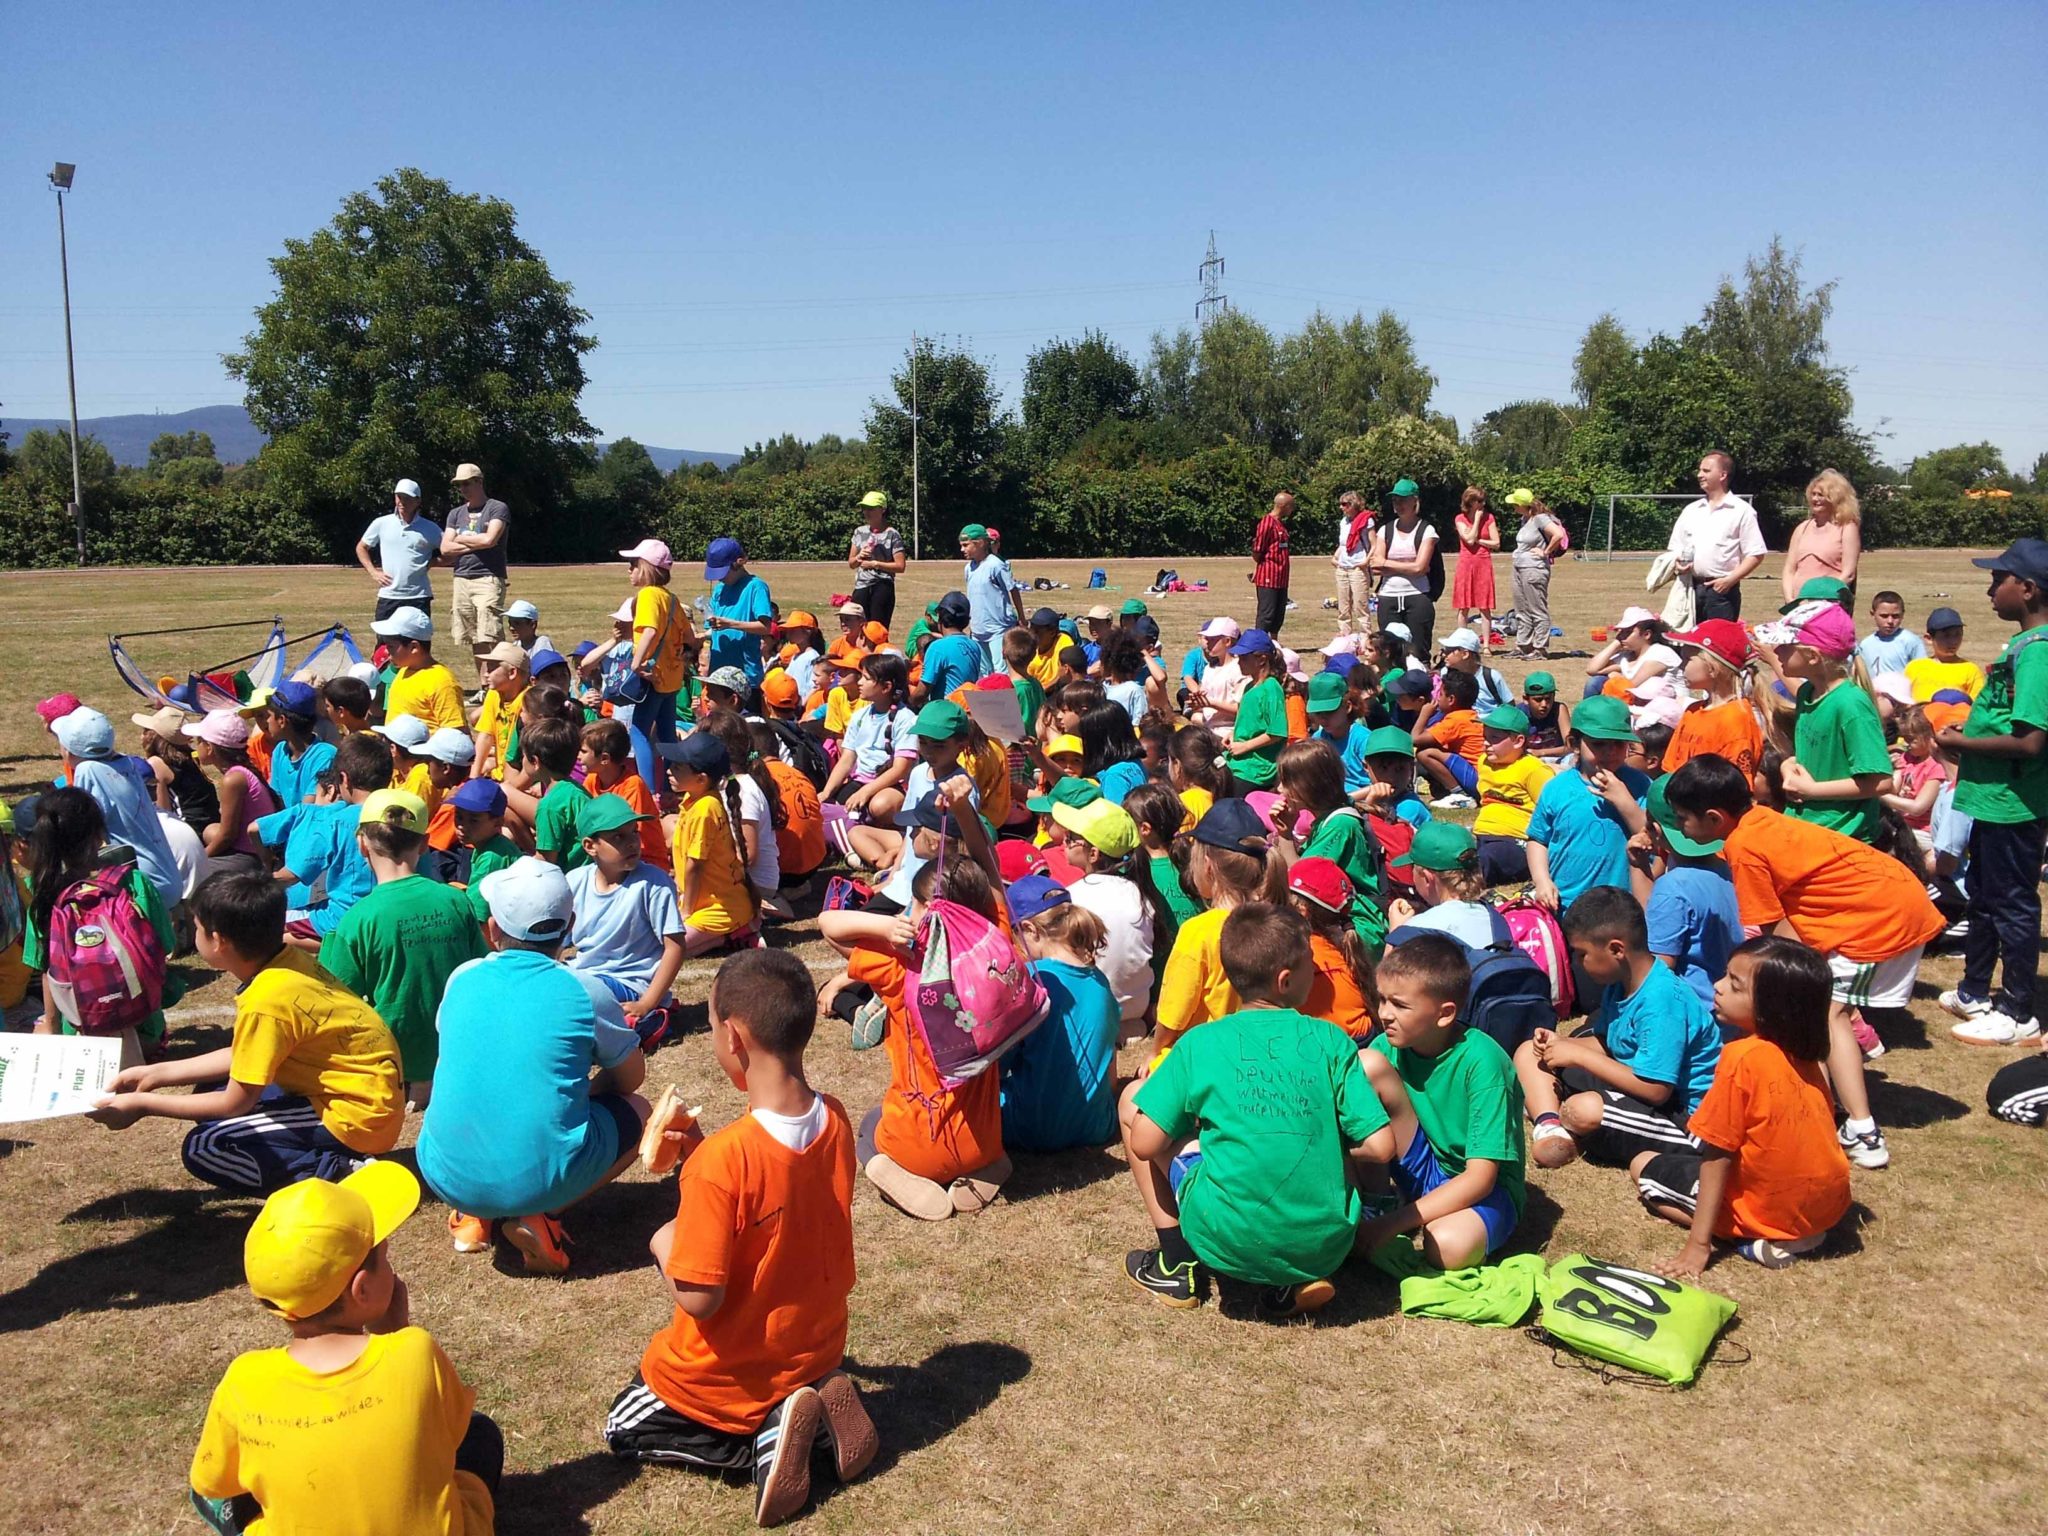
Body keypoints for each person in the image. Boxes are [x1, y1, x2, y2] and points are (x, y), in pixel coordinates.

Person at [604, 949, 871, 1526]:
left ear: (733, 1035)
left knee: (623, 1423)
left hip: (727, 1375)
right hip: (810, 1348)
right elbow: (775, 1210)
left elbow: (702, 1298)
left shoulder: (725, 1161)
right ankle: (815, 1414)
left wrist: (661, 1242)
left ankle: (766, 1440)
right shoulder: (838, 1119)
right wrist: (698, 1152)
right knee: (793, 1376)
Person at [187, 1161, 501, 1536]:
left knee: (224, 1494)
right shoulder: (414, 1351)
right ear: (362, 1289)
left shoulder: (243, 1380)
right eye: (384, 1257)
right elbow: (447, 1438)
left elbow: (212, 1483)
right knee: (481, 1436)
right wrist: (394, 1331)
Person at [1664, 754, 1945, 1171]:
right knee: (1821, 1010)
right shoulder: (1760, 821)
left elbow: (1778, 934)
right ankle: (1825, 1107)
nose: (1681, 828)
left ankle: (1863, 1131)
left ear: (1713, 818)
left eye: (1684, 819)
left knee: (1827, 1014)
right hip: (1876, 903)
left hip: (1882, 916)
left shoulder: (1745, 846)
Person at [1122, 903, 1395, 1315]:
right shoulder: (1332, 1041)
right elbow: (1381, 1147)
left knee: (1133, 1103)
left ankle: (1176, 1264)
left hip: (1226, 1236)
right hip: (1327, 1243)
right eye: (1312, 965)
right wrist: (1323, 1146)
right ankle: (1295, 1277)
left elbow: (1145, 1143)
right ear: (1287, 980)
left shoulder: (1199, 1043)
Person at [89, 872, 403, 1193]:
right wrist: (156, 1074)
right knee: (210, 1091)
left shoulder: (267, 999)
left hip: (359, 1116)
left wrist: (144, 1104)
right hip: (369, 1096)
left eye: (197, 928)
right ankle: (319, 1153)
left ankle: (340, 1173)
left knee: (207, 1145)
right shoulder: (288, 961)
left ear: (218, 940)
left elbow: (234, 1103)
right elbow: (246, 1054)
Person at [419, 856, 648, 1275]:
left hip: (442, 1170)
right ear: (571, 923)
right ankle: (542, 1213)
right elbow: (632, 1078)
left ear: (493, 930)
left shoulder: (461, 977)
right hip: (537, 1175)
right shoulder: (585, 990)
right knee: (640, 1112)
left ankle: (475, 1215)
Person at [1641, 938, 1852, 1275]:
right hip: (1827, 1211)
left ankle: (1751, 1240)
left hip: (1770, 1211)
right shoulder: (1808, 1054)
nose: (1718, 986)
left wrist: (1698, 1246)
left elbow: (1717, 1154)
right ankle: (1792, 1232)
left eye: (1734, 984)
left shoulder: (1741, 1056)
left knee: (1646, 1167)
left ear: (1773, 1006)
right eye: (1725, 976)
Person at [820, 856, 1010, 1221]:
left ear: (926, 912)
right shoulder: (999, 956)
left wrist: (888, 925)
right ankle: (989, 1169)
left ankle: (893, 1171)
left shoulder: (899, 967)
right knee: (981, 1143)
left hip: (916, 1146)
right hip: (983, 1142)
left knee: (869, 1125)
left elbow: (829, 925)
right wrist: (959, 809)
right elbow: (993, 880)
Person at [1935, 538, 2048, 1046]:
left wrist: (1962, 740)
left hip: (2013, 803)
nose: (1988, 589)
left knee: (2013, 904)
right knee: (1983, 896)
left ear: (2026, 588)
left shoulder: (2039, 655)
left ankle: (2018, 1009)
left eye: (1996, 579)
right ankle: (1975, 989)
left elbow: (2030, 741)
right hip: (1992, 798)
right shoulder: (2024, 648)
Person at [1357, 933, 1526, 1270]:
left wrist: (1391, 1227)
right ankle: (1377, 1202)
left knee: (1447, 1246)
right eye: (1382, 1000)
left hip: (1483, 1189)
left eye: (1400, 1005)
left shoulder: (1482, 1061)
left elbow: (1481, 1178)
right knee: (1365, 1066)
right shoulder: (1385, 1047)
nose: (1385, 1014)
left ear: (1445, 1014)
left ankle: (1390, 1217)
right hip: (1423, 1162)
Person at [1529, 887, 1722, 1173]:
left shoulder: (1661, 1002)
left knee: (1583, 1110)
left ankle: (1571, 1122)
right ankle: (1550, 1125)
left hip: (1684, 1118)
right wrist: (1558, 1045)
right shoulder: (1620, 983)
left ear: (1617, 949)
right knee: (1529, 1052)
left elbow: (1657, 1090)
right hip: (1632, 1080)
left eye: (1581, 954)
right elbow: (1609, 1043)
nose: (1577, 963)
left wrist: (1579, 1056)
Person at [318, 789, 486, 1105]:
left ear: (361, 844)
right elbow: (477, 968)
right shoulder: (456, 900)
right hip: (455, 1043)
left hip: (391, 1054)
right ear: (424, 843)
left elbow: (336, 997)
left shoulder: (357, 920)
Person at [20, 787, 179, 1056]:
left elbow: (48, 969)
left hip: (81, 1034)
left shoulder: (40, 893)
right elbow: (164, 946)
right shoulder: (133, 882)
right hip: (143, 1030)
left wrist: (50, 1023)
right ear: (99, 834)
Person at [1755, 598, 1894, 843]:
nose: (1776, 652)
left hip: (1843, 836)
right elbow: (1816, 757)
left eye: (1785, 646)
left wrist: (1812, 791)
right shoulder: (1808, 693)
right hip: (1808, 827)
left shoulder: (1850, 704)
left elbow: (1881, 781)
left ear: (1812, 656)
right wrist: (1789, 763)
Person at [1000, 876, 1120, 1152]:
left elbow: (998, 1065)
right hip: (1096, 1127)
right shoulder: (1101, 982)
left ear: (1030, 929)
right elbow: (1110, 1067)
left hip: (1030, 1128)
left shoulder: (1031, 979)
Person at [1153, 801, 1286, 1051]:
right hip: (1264, 1050)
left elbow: (1173, 1015)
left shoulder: (1199, 931)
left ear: (1208, 866)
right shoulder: (1279, 921)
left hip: (1210, 1055)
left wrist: (1154, 1052)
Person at [566, 795, 687, 1048]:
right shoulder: (575, 881)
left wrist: (647, 1003)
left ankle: (648, 1019)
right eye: (618, 837)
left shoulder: (653, 883)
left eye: (633, 833)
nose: (632, 842)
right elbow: (559, 937)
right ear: (590, 846)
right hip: (585, 976)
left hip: (629, 984)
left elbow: (675, 947)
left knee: (574, 997)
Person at [1050, 789, 1165, 1037]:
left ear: (1094, 854)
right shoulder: (1141, 894)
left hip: (1089, 1009)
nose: (1065, 841)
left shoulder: (1072, 897)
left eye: (1071, 837)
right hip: (1135, 1007)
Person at [256, 732, 392, 938]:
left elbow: (291, 876)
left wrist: (253, 886)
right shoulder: (404, 813)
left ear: (344, 779)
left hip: (343, 919)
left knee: (271, 929)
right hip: (390, 913)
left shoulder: (337, 821)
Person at [1525, 696, 1650, 914]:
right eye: (1599, 744)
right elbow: (1538, 840)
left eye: (1618, 744)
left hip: (1621, 905)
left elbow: (1652, 840)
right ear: (1574, 744)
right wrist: (1542, 881)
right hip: (1565, 902)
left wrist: (1625, 801)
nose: (1610, 751)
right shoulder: (1558, 787)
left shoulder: (1640, 785)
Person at [50, 706, 184, 908]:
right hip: (164, 873)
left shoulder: (88, 770)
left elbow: (82, 827)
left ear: (68, 749)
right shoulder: (125, 763)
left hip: (139, 883)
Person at [1272, 737, 1388, 955]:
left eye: (1286, 782)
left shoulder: (1340, 825)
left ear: (1308, 786)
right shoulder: (1331, 819)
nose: (1279, 788)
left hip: (1357, 929)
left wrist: (1285, 835)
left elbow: (1302, 884)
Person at [1642, 776, 1744, 1009]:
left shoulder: (1673, 887)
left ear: (1654, 828)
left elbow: (1661, 965)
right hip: (1731, 1008)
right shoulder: (1728, 867)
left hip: (1693, 1014)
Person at [437, 462, 511, 691]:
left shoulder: (497, 508)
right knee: (473, 637)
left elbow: (490, 540)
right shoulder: (455, 513)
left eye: (467, 483)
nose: (463, 489)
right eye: (459, 485)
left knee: (491, 633)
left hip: (488, 577)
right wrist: (475, 543)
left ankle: (503, 682)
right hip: (461, 578)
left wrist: (460, 539)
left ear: (479, 481)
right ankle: (484, 686)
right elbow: (444, 549)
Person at [1668, 450, 1766, 622]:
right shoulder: (1691, 510)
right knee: (1686, 645)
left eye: (1706, 471)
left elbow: (1756, 554)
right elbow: (1676, 547)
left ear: (1722, 475)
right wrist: (1677, 563)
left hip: (1722, 593)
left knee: (1718, 647)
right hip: (1689, 589)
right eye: (1700, 470)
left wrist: (1730, 580)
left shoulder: (1742, 511)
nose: (1699, 475)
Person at [1660, 620, 1765, 779]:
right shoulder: (1693, 711)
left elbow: (1735, 788)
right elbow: (1670, 769)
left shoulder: (1736, 720)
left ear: (1713, 668)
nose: (1681, 665)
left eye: (1688, 658)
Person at [182, 710, 282, 877]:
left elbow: (228, 836)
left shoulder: (233, 780)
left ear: (209, 747)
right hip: (255, 847)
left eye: (199, 740)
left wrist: (200, 859)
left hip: (249, 856)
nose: (196, 745)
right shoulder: (241, 771)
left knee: (189, 875)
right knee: (209, 830)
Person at [1287, 857, 1378, 1038]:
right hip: (1366, 1037)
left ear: (1301, 910)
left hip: (1333, 1045)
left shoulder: (1300, 951)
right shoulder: (1345, 943)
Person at [1385, 822, 1497, 949]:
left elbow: (1387, 969)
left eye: (1413, 868)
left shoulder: (1416, 931)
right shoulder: (1494, 917)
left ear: (1427, 878)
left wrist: (1395, 934)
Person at [356, 478, 442, 624]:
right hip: (389, 596)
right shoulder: (381, 523)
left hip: (418, 596)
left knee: (418, 643)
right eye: (399, 497)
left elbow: (452, 552)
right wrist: (373, 572)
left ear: (417, 501)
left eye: (407, 498)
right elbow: (361, 547)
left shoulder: (430, 528)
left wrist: (433, 562)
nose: (402, 502)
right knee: (384, 643)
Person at [1371, 478, 1438, 657]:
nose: (1398, 504)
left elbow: (1420, 568)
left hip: (1417, 595)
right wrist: (1407, 566)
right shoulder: (1385, 530)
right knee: (1388, 652)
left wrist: (1387, 564)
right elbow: (1375, 565)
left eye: (1403, 499)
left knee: (1418, 651)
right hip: (1388, 596)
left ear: (1415, 501)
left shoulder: (1426, 530)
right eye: (1395, 500)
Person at [376, 608, 467, 734]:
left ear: (414, 647)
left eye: (391, 646)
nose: (387, 652)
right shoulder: (403, 672)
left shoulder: (441, 681)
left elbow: (456, 733)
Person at [132, 704, 220, 834]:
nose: (141, 736)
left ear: (153, 736)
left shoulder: (156, 764)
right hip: (210, 822)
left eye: (145, 731)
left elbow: (163, 813)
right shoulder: (190, 757)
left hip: (188, 830)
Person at [1781, 469, 1862, 601]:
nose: (1815, 499)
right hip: (1798, 604)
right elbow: (1789, 570)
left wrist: (1821, 598)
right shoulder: (1802, 528)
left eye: (1820, 495)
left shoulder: (1847, 528)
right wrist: (1790, 600)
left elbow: (1849, 574)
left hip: (1830, 604)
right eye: (1813, 494)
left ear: (1835, 498)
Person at [703, 537, 774, 687]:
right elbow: (711, 630)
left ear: (739, 562)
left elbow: (765, 627)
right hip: (718, 673)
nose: (720, 578)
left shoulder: (756, 587)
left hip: (745, 676)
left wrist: (730, 624)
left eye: (723, 572)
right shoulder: (719, 589)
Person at [1506, 488, 1567, 659]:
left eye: (1514, 504)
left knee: (1537, 609)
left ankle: (1540, 648)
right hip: (1519, 566)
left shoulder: (1540, 519)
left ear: (1522, 505)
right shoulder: (1525, 519)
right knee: (1521, 608)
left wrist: (1545, 552)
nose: (1513, 507)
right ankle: (1523, 645)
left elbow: (1558, 535)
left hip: (1534, 569)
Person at [1412, 668, 1484, 809]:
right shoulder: (1469, 715)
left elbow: (1415, 738)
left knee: (1424, 753)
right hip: (1482, 777)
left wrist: (1424, 713)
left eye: (1441, 694)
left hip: (1476, 778)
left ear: (1451, 699)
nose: (1437, 698)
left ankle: (1460, 795)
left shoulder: (1455, 720)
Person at [961, 522, 1026, 666]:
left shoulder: (995, 565)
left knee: (1001, 670)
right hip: (978, 630)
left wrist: (1021, 617)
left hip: (998, 629)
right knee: (984, 673)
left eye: (966, 545)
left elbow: (1012, 589)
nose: (962, 549)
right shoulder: (969, 568)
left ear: (980, 543)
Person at [847, 488, 906, 628]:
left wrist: (875, 564)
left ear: (882, 509)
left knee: (877, 629)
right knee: (857, 627)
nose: (867, 512)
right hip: (861, 586)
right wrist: (859, 557)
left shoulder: (892, 534)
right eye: (864, 508)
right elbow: (851, 563)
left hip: (882, 585)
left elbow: (900, 566)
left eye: (871, 508)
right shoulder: (859, 532)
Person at [916, 591, 987, 702]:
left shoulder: (937, 648)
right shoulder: (974, 646)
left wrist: (908, 702)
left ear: (941, 618)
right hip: (968, 710)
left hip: (945, 712)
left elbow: (921, 693)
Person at [1452, 486, 1499, 648]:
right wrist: (1477, 521)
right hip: (1466, 563)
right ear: (1469, 502)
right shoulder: (1460, 519)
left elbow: (1496, 542)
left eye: (1483, 501)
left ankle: (1486, 644)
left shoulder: (1490, 518)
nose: (1482, 505)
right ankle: (1462, 643)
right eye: (1478, 501)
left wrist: (1481, 541)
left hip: (1483, 563)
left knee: (1484, 606)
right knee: (1463, 606)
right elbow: (1469, 540)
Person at [1905, 606, 1986, 701]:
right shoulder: (1915, 667)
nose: (1953, 641)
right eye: (1946, 636)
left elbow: (1976, 706)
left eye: (1957, 634)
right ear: (1929, 639)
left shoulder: (1970, 670)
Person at [1332, 489, 1377, 636]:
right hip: (1342, 567)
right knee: (1343, 605)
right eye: (1341, 504)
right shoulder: (1343, 522)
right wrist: (1335, 557)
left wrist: (1366, 562)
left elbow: (1374, 543)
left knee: (1360, 605)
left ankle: (1365, 635)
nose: (1341, 507)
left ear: (1353, 504)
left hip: (1358, 567)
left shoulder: (1366, 520)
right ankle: (1344, 633)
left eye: (1345, 504)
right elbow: (1343, 544)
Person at [1249, 490, 1293, 637]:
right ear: (1284, 506)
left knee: (1278, 613)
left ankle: (1274, 642)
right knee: (1267, 613)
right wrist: (1261, 565)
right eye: (1291, 506)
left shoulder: (1280, 524)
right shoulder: (1267, 523)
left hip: (1281, 576)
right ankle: (1258, 643)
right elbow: (1258, 549)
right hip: (1269, 576)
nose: (1292, 509)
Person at [1856, 590, 1926, 679]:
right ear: (1873, 614)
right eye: (1884, 616)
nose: (1890, 621)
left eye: (1895, 616)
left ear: (1903, 614)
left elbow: (1922, 673)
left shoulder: (1911, 641)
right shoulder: (1866, 644)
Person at [1519, 672, 1570, 766]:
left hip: (1557, 758)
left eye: (1548, 699)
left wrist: (1540, 753)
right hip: (1528, 760)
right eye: (1538, 699)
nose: (1544, 705)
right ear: (1526, 699)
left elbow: (1570, 746)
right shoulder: (1518, 714)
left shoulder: (1559, 710)